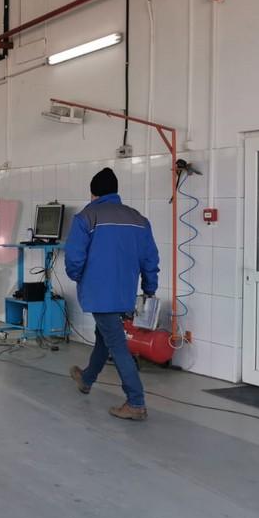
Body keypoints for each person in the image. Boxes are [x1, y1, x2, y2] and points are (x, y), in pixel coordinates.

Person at [65, 167, 159, 421]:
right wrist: (149, 288)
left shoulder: (87, 217)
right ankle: (86, 379)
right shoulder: (139, 219)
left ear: (93, 193)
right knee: (104, 336)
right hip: (125, 292)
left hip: (98, 292)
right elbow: (150, 259)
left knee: (116, 343)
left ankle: (136, 401)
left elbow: (74, 256)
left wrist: (78, 277)